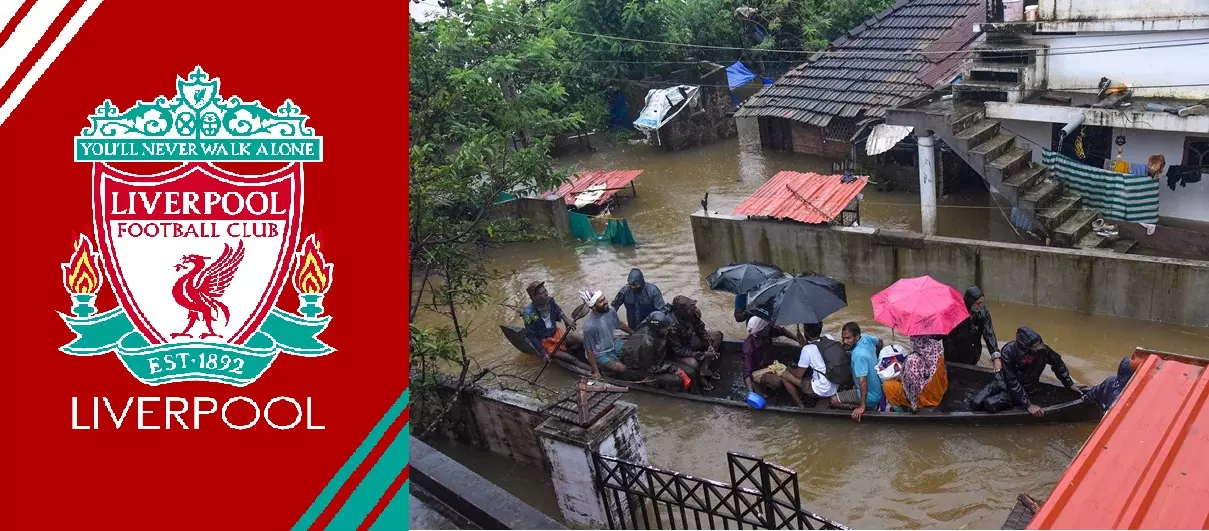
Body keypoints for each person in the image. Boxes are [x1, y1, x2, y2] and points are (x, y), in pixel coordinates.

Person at [971, 327, 1084, 417]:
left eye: (1040, 343)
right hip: (1002, 382)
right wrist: (1028, 404)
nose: (1039, 347)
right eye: (1035, 346)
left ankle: (1009, 402)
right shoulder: (1008, 352)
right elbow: (1011, 381)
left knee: (990, 404)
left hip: (1025, 388)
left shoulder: (1043, 351)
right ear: (1024, 347)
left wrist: (1069, 383)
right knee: (975, 403)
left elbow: (1058, 364)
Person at [742, 316, 808, 408]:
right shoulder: (748, 346)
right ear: (759, 332)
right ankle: (759, 386)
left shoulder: (768, 331)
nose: (767, 327)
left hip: (772, 364)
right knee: (777, 381)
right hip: (758, 371)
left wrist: (798, 340)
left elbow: (783, 331)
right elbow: (747, 372)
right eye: (765, 326)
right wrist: (751, 393)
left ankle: (801, 405)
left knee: (789, 376)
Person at [789, 325, 858, 413]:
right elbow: (817, 349)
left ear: (805, 332)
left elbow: (799, 374)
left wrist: (789, 369)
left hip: (822, 389)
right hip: (835, 383)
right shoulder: (829, 338)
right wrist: (803, 342)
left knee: (785, 375)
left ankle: (801, 407)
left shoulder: (807, 349)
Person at [619, 311, 693, 391]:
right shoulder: (647, 343)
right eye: (665, 328)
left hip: (658, 362)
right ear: (657, 328)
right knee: (677, 379)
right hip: (644, 373)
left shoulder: (659, 333)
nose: (668, 329)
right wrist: (674, 369)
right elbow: (652, 368)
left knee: (690, 371)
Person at [668, 295, 723, 390]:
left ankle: (705, 368)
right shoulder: (672, 325)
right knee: (693, 363)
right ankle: (700, 378)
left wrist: (709, 344)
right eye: (690, 307)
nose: (694, 308)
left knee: (717, 335)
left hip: (690, 341)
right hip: (678, 351)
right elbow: (678, 350)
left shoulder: (693, 313)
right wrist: (701, 354)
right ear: (682, 311)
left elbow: (701, 330)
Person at [883, 336, 949, 412]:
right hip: (939, 389)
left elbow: (912, 391)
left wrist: (913, 404)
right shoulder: (936, 347)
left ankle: (901, 413)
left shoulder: (913, 359)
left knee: (887, 386)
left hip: (926, 398)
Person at [522, 281, 582, 364]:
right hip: (546, 343)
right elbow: (531, 336)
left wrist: (566, 319)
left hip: (556, 334)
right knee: (570, 359)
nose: (546, 294)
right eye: (542, 293)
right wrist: (543, 353)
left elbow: (557, 309)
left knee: (581, 339)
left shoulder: (550, 300)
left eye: (545, 291)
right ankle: (592, 372)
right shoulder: (528, 314)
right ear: (535, 298)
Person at [580, 289, 632, 379]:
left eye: (604, 298)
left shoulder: (610, 310)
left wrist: (633, 333)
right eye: (601, 301)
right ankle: (604, 369)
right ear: (593, 307)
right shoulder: (589, 326)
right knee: (622, 368)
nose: (606, 302)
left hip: (613, 344)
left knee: (634, 351)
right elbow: (589, 351)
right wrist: (595, 371)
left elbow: (619, 324)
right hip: (601, 354)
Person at [943, 286, 999, 366]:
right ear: (970, 302)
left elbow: (988, 333)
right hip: (955, 354)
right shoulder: (955, 311)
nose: (980, 306)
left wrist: (995, 355)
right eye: (978, 303)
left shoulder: (983, 313)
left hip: (973, 352)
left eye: (982, 303)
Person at [840, 322, 886, 421]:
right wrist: (875, 359)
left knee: (834, 400)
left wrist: (862, 406)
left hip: (871, 396)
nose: (845, 341)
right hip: (878, 388)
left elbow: (863, 381)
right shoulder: (865, 337)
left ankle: (866, 407)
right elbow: (880, 342)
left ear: (857, 336)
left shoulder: (858, 355)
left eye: (848, 338)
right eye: (843, 338)